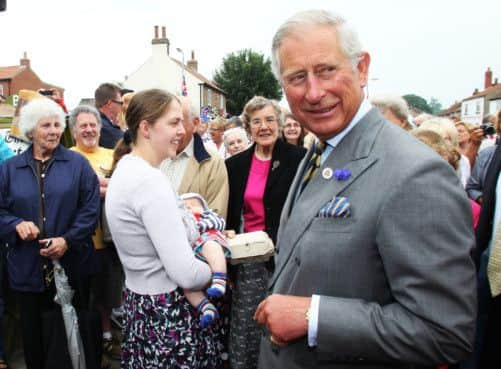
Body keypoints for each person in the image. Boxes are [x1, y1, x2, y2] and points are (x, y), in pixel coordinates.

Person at [255, 10, 476, 369]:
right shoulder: (321, 148)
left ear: (361, 68)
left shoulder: (416, 174)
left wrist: (314, 316)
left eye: (326, 69)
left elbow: (444, 331)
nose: (314, 92)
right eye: (297, 77)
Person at [105, 89, 219, 368]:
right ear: (145, 127)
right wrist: (219, 270)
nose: (182, 130)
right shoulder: (148, 181)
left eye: (182, 122)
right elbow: (186, 273)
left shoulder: (127, 169)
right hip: (166, 313)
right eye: (173, 123)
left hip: (142, 305)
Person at [0, 98, 100, 369]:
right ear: (31, 130)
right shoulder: (9, 170)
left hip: (72, 265)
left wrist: (67, 240)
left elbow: (90, 209)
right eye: (46, 125)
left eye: (57, 124)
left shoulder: (78, 165)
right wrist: (14, 224)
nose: (54, 130)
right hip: (27, 268)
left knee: (73, 334)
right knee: (33, 337)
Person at [225, 96, 305, 369]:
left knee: (283, 321)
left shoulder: (299, 159)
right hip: (249, 260)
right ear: (248, 128)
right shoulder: (235, 165)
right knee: (247, 323)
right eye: (256, 121)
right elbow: (230, 212)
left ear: (280, 123)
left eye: (270, 120)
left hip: (286, 256)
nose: (264, 127)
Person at [68, 105, 123, 363]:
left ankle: (106, 338)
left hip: (111, 242)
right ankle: (82, 345)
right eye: (83, 126)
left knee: (107, 296)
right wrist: (100, 187)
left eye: (93, 125)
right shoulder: (67, 157)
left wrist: (99, 187)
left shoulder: (113, 156)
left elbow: (125, 187)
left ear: (100, 128)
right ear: (74, 130)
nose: (89, 130)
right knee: (84, 298)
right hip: (79, 243)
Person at [159, 97, 229, 219]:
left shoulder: (213, 163)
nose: (171, 131)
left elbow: (215, 218)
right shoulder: (152, 156)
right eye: (166, 122)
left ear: (195, 123)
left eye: (176, 122)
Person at [180, 192, 231, 328]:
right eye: (185, 207)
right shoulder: (182, 222)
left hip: (206, 238)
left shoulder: (207, 217)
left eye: (193, 205)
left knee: (212, 247)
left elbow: (218, 223)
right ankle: (207, 309)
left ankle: (219, 280)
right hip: (193, 253)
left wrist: (197, 226)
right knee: (188, 286)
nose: (189, 208)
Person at [95, 83, 124, 149]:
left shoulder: (99, 120)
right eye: (120, 103)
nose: (122, 106)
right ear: (110, 104)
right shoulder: (103, 126)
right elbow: (127, 144)